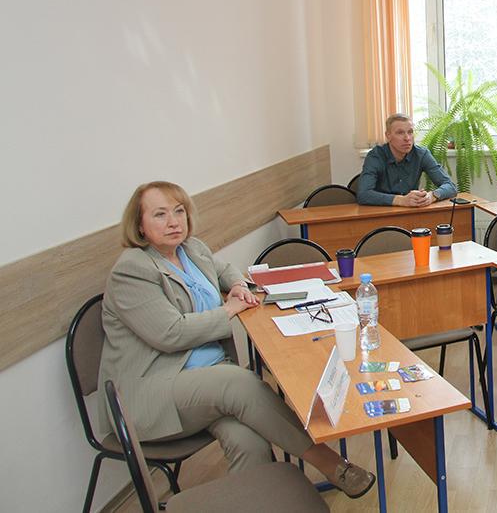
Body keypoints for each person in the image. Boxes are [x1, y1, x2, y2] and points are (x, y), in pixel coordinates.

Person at [98, 181, 374, 498]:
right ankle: (329, 463)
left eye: (179, 211)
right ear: (139, 225)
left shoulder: (191, 250)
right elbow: (171, 333)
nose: (173, 222)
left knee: (249, 441)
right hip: (154, 391)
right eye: (160, 214)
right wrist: (230, 308)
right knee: (241, 382)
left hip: (207, 383)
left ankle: (255, 502)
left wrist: (239, 286)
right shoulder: (132, 269)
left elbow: (226, 271)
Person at [356, 113, 457, 207]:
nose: (407, 138)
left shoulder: (421, 154)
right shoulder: (376, 156)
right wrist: (400, 200)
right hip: (381, 212)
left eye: (410, 132)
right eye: (400, 133)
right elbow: (363, 194)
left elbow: (450, 186)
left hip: (410, 212)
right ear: (388, 136)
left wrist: (432, 196)